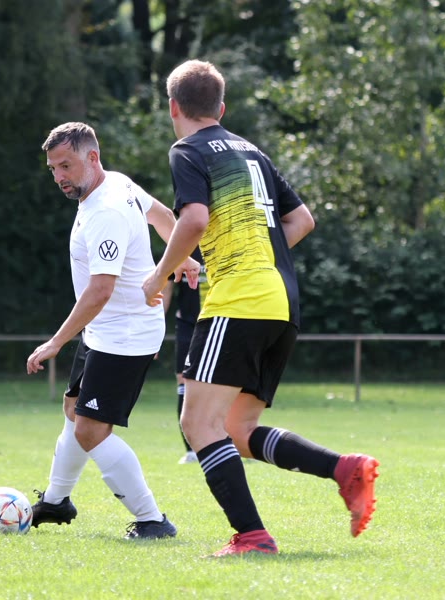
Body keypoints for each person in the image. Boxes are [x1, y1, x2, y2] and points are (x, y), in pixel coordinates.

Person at [142, 60, 380, 557]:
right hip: (280, 301)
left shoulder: (187, 150)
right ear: (222, 107)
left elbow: (194, 219)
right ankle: (345, 469)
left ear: (173, 108)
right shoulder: (252, 152)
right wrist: (258, 256)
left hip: (240, 301)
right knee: (237, 431)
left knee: (197, 424)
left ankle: (252, 536)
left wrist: (160, 274)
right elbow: (302, 220)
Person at [26, 121, 199, 539]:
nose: (59, 177)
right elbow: (162, 216)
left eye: (66, 166)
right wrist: (182, 259)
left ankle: (152, 520)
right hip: (103, 330)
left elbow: (100, 290)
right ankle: (56, 501)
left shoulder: (106, 210)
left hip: (125, 335)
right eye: (53, 169)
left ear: (92, 158)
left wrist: (56, 342)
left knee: (90, 429)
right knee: (74, 409)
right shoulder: (117, 184)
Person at [161, 247, 206, 465]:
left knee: (229, 382)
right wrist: (155, 329)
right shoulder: (184, 244)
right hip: (188, 325)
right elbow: (165, 289)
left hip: (221, 320)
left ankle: (233, 441)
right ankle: (191, 450)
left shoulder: (227, 240)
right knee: (184, 381)